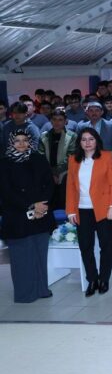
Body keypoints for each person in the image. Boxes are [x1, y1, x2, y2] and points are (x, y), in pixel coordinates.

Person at [0, 129, 55, 303]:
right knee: (22, 257)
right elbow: (6, 192)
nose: (22, 144)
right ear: (11, 143)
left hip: (41, 214)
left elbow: (49, 184)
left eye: (25, 140)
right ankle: (25, 294)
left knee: (40, 254)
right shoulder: (4, 163)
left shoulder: (38, 158)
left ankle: (42, 289)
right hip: (17, 217)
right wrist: (31, 205)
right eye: (17, 141)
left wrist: (42, 205)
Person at [65, 128, 112, 296]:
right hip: (82, 209)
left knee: (106, 246)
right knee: (85, 247)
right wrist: (70, 211)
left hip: (103, 209)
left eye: (91, 139)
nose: (87, 143)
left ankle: (104, 279)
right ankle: (92, 279)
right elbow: (70, 187)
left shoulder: (107, 156)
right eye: (84, 139)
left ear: (97, 141)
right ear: (79, 142)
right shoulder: (73, 159)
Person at [39, 110, 76, 210]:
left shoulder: (72, 136)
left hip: (66, 174)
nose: (57, 122)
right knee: (49, 205)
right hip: (47, 175)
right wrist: (51, 173)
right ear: (50, 121)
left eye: (60, 120)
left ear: (65, 121)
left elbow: (71, 157)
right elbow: (41, 156)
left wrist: (56, 172)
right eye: (54, 119)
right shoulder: (44, 136)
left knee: (65, 205)